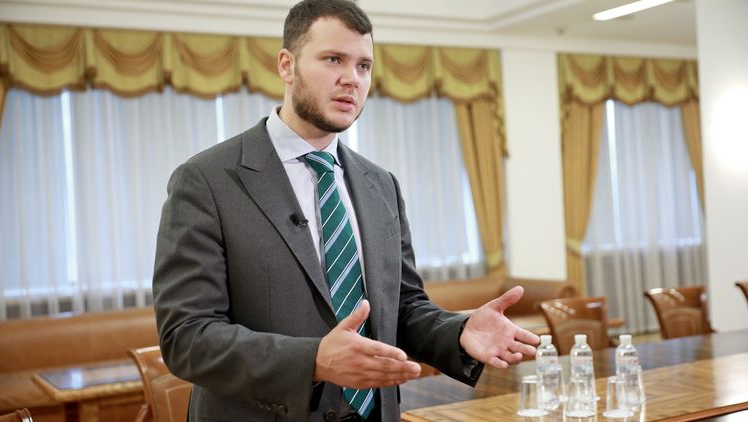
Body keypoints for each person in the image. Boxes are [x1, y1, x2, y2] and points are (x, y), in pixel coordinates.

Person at [152, 0, 539, 421]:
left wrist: (459, 331)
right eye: (333, 59)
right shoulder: (206, 180)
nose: (352, 79)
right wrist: (314, 359)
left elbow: (403, 308)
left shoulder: (381, 185)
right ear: (287, 65)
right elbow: (186, 338)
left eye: (363, 66)